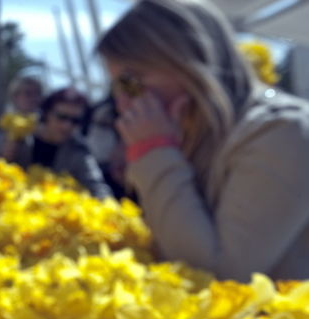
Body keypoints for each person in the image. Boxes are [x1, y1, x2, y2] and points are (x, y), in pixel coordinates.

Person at [97, 0, 309, 281]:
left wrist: (154, 152)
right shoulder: (200, 133)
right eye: (116, 87)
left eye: (131, 82)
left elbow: (216, 274)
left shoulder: (281, 130)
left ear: (189, 63)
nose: (123, 103)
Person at [3, 88, 112, 198]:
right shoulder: (20, 133)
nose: (67, 126)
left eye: (75, 120)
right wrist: (7, 155)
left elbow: (97, 187)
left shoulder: (78, 149)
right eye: (61, 117)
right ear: (46, 114)